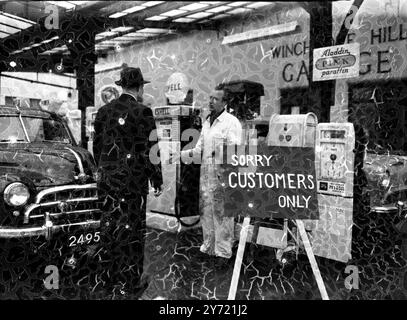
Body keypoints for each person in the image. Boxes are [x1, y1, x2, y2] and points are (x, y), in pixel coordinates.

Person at [93, 66, 163, 298]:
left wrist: (104, 171)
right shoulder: (143, 112)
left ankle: (107, 277)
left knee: (109, 227)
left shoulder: (103, 112)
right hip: (132, 183)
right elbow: (150, 150)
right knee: (132, 230)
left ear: (121, 85)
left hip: (107, 182)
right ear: (140, 87)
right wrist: (157, 178)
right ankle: (130, 281)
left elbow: (97, 147)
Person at [177, 89, 242, 268]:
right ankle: (208, 248)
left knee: (222, 215)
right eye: (210, 98)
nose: (211, 101)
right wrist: (179, 155)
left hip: (222, 176)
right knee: (206, 212)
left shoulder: (231, 123)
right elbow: (199, 150)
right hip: (206, 176)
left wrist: (219, 157)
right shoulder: (207, 122)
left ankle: (223, 253)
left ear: (224, 102)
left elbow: (234, 151)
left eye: (216, 99)